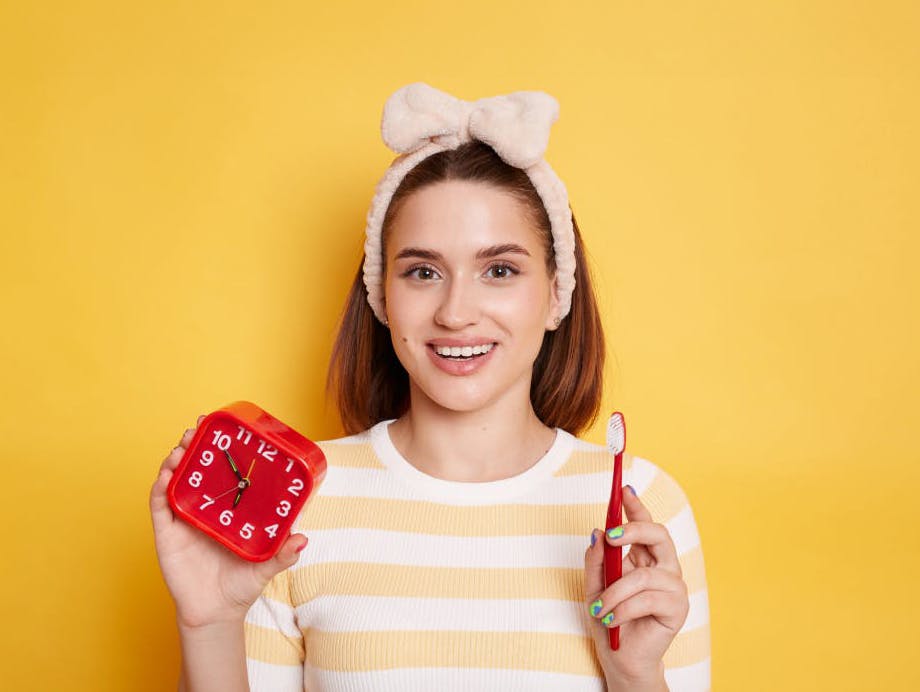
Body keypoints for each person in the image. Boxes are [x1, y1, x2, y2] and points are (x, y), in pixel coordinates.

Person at [150, 82, 711, 691]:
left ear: (557, 293)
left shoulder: (643, 507)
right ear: (381, 296)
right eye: (422, 272)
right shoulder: (296, 504)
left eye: (499, 270)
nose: (456, 312)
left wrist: (633, 674)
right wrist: (207, 625)